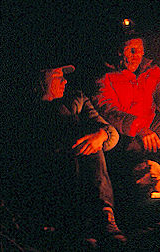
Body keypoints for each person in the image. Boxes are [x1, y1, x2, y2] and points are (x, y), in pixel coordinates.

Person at [22, 63, 127, 248]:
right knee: (74, 128)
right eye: (56, 76)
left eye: (64, 76)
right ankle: (88, 220)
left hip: (82, 161)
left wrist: (102, 135)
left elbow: (110, 131)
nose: (64, 80)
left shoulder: (76, 98)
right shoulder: (25, 109)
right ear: (41, 80)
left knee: (92, 138)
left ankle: (103, 215)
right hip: (50, 165)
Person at [93, 31, 160, 197]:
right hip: (126, 137)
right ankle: (143, 180)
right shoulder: (105, 78)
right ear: (118, 51)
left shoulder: (149, 71)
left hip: (150, 130)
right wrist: (139, 127)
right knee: (134, 173)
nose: (136, 55)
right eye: (131, 50)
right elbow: (109, 110)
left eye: (140, 50)